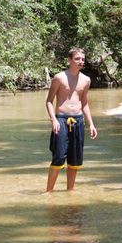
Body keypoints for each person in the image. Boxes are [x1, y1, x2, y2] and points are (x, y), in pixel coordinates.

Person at [45, 47, 98, 192]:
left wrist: (91, 124)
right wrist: (53, 120)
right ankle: (49, 192)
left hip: (78, 121)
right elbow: (49, 101)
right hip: (61, 120)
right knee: (58, 157)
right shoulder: (59, 77)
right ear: (69, 60)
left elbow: (84, 102)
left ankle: (70, 192)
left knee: (75, 160)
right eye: (77, 59)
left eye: (82, 59)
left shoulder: (86, 80)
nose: (80, 62)